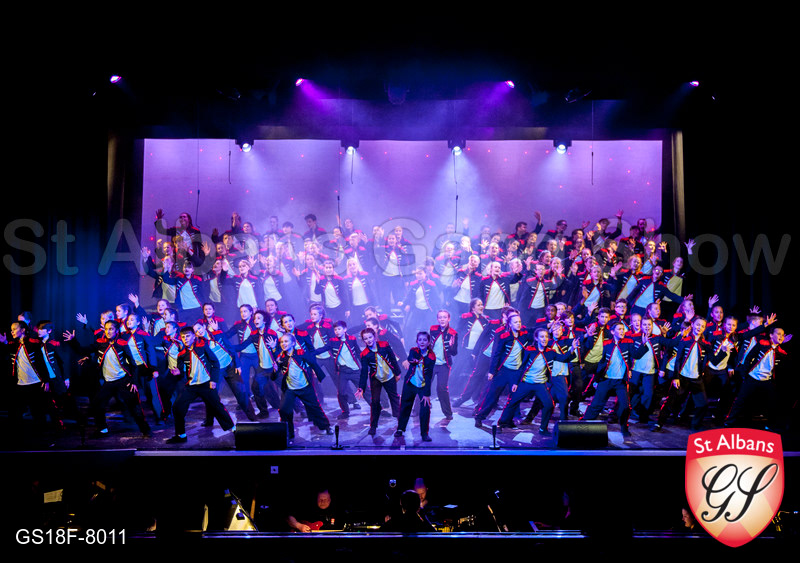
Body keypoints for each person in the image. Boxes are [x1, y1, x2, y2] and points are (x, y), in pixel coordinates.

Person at [64, 320, 151, 438]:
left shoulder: (122, 343)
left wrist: (133, 382)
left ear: (116, 330)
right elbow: (83, 350)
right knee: (97, 404)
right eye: (106, 329)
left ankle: (145, 430)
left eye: (111, 329)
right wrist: (73, 340)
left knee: (134, 406)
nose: (108, 331)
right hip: (108, 382)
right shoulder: (101, 343)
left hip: (123, 380)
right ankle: (102, 429)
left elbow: (133, 364)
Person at [165, 326, 236, 444]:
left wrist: (213, 380)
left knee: (217, 407)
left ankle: (233, 429)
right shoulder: (181, 354)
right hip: (192, 386)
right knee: (177, 406)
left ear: (194, 336)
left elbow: (215, 363)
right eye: (183, 337)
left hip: (206, 384)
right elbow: (181, 372)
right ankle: (181, 435)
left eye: (188, 336)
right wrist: (178, 372)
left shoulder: (202, 347)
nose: (185, 339)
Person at [272, 333, 334, 441]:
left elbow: (312, 362)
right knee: (284, 410)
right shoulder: (281, 357)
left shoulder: (300, 353)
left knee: (315, 407)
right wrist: (275, 370)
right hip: (290, 389)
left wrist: (319, 375)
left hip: (304, 387)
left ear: (293, 343)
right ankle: (289, 432)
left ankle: (326, 426)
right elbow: (274, 377)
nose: (283, 344)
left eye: (286, 341)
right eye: (281, 342)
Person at [357, 327, 402, 436]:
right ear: (363, 340)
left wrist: (398, 373)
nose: (368, 340)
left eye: (370, 337)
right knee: (375, 401)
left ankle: (400, 426)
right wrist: (361, 387)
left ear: (374, 336)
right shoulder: (364, 354)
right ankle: (373, 426)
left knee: (394, 399)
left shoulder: (384, 345)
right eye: (365, 339)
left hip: (389, 376)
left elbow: (392, 359)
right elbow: (364, 372)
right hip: (376, 378)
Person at [395, 331, 437, 441]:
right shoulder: (414, 350)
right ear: (417, 341)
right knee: (405, 406)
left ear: (428, 342)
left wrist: (427, 394)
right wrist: (414, 361)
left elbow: (429, 376)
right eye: (420, 340)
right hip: (410, 383)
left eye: (424, 340)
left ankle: (424, 434)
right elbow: (410, 358)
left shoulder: (431, 356)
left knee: (425, 408)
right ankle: (400, 429)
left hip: (422, 385)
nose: (422, 342)